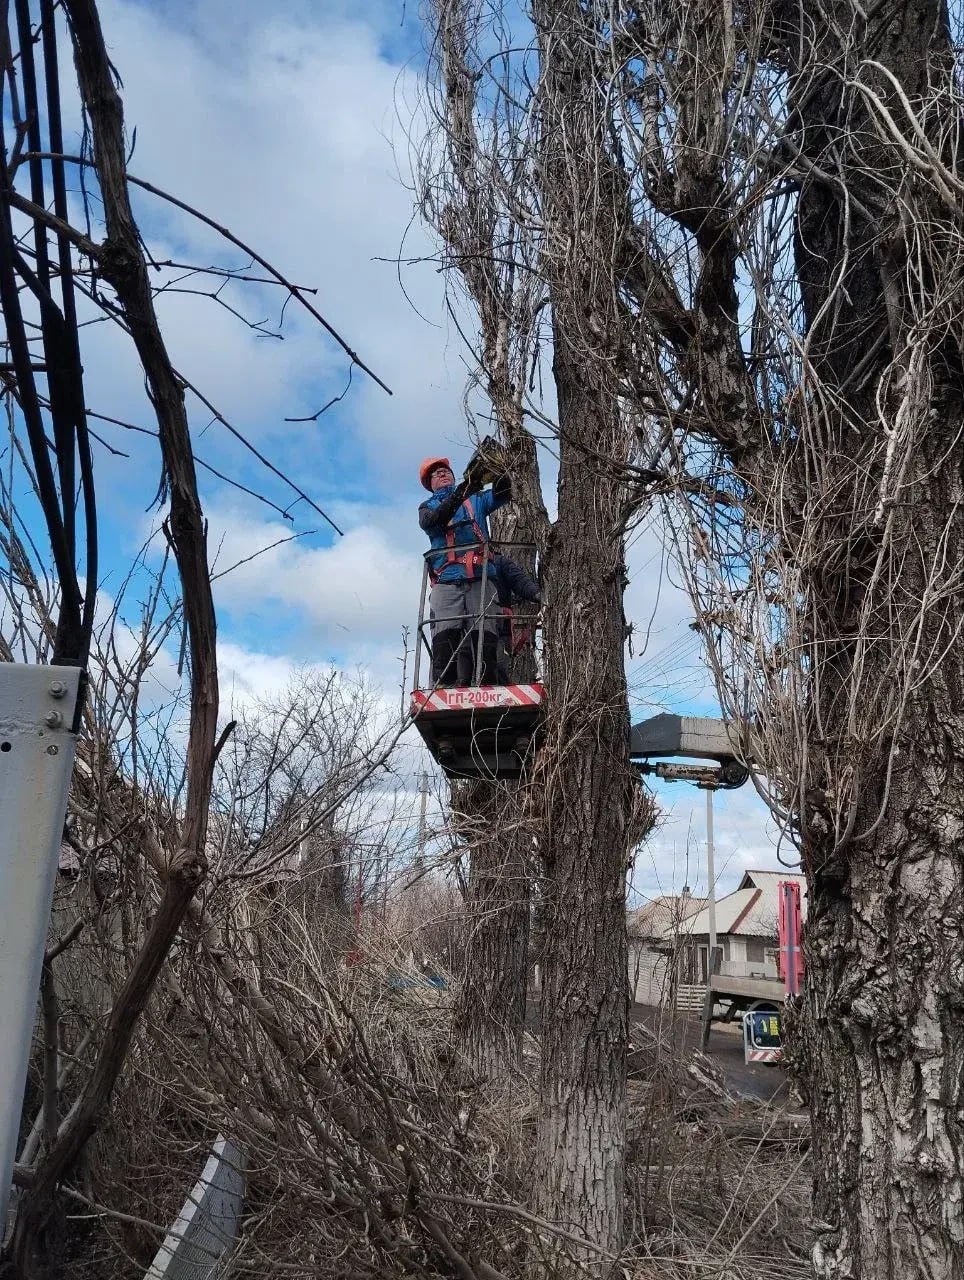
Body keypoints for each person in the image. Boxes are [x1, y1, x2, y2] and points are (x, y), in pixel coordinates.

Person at [418, 454, 510, 686]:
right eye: (435, 473)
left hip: (480, 576)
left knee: (485, 630)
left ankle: (487, 682)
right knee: (445, 631)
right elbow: (434, 521)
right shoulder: (427, 507)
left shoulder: (476, 499)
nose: (442, 473)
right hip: (447, 579)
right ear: (430, 484)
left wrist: (501, 468)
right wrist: (463, 489)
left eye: (445, 471)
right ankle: (444, 684)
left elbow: (504, 492)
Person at [489, 553, 541, 683]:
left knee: (498, 667)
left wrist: (538, 595)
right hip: (469, 629)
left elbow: (520, 582)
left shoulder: (499, 563)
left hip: (500, 630)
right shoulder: (457, 567)